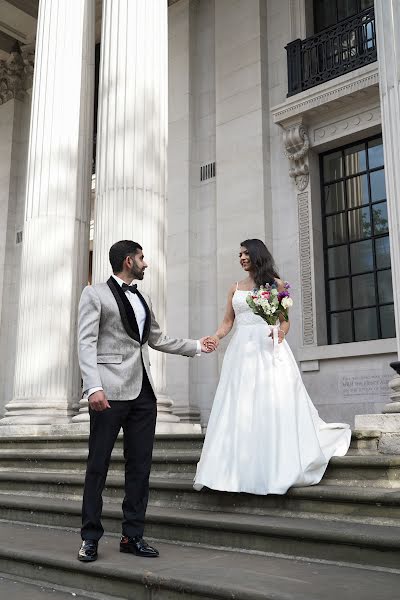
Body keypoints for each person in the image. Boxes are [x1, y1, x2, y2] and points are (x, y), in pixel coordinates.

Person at [77, 240, 216, 562]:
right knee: (97, 467)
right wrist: (92, 387)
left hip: (143, 393)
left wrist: (196, 345)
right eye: (142, 258)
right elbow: (85, 342)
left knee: (139, 468)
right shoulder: (94, 294)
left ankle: (133, 536)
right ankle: (90, 538)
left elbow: (156, 339)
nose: (146, 263)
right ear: (129, 261)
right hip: (108, 393)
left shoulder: (143, 297)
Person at [194, 238, 351, 495]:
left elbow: (284, 321)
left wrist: (280, 334)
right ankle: (232, 471)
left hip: (268, 348)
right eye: (239, 254)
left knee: (270, 401)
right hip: (240, 352)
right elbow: (227, 322)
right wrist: (216, 337)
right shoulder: (235, 288)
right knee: (239, 404)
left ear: (257, 255)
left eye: (246, 253)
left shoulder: (277, 285)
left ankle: (273, 463)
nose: (242, 258)